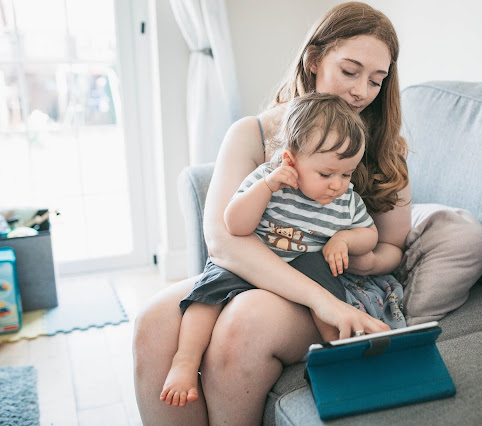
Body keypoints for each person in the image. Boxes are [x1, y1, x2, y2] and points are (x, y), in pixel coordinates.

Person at [135, 2, 414, 424]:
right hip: (265, 271)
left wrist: (358, 254)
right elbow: (224, 241)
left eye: (377, 80)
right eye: (350, 71)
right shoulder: (253, 134)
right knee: (153, 323)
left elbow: (393, 246)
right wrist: (321, 303)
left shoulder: (384, 148)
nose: (362, 91)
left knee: (244, 324)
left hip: (341, 282)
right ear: (315, 59)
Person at [160, 93, 380, 406]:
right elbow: (235, 225)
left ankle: (337, 361)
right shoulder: (268, 180)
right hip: (256, 262)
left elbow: (369, 234)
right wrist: (267, 188)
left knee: (330, 298)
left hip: (305, 268)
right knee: (206, 296)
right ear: (291, 161)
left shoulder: (345, 201)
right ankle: (185, 361)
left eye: (346, 174)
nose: (337, 185)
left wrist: (344, 240)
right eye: (326, 174)